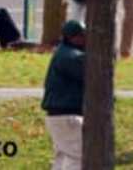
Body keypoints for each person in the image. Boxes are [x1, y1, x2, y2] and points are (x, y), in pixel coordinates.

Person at [42, 20, 86, 169]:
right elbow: (89, 73)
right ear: (71, 38)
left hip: (57, 115)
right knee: (78, 157)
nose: (84, 39)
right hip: (68, 116)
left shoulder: (63, 52)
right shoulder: (72, 57)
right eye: (80, 36)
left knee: (62, 156)